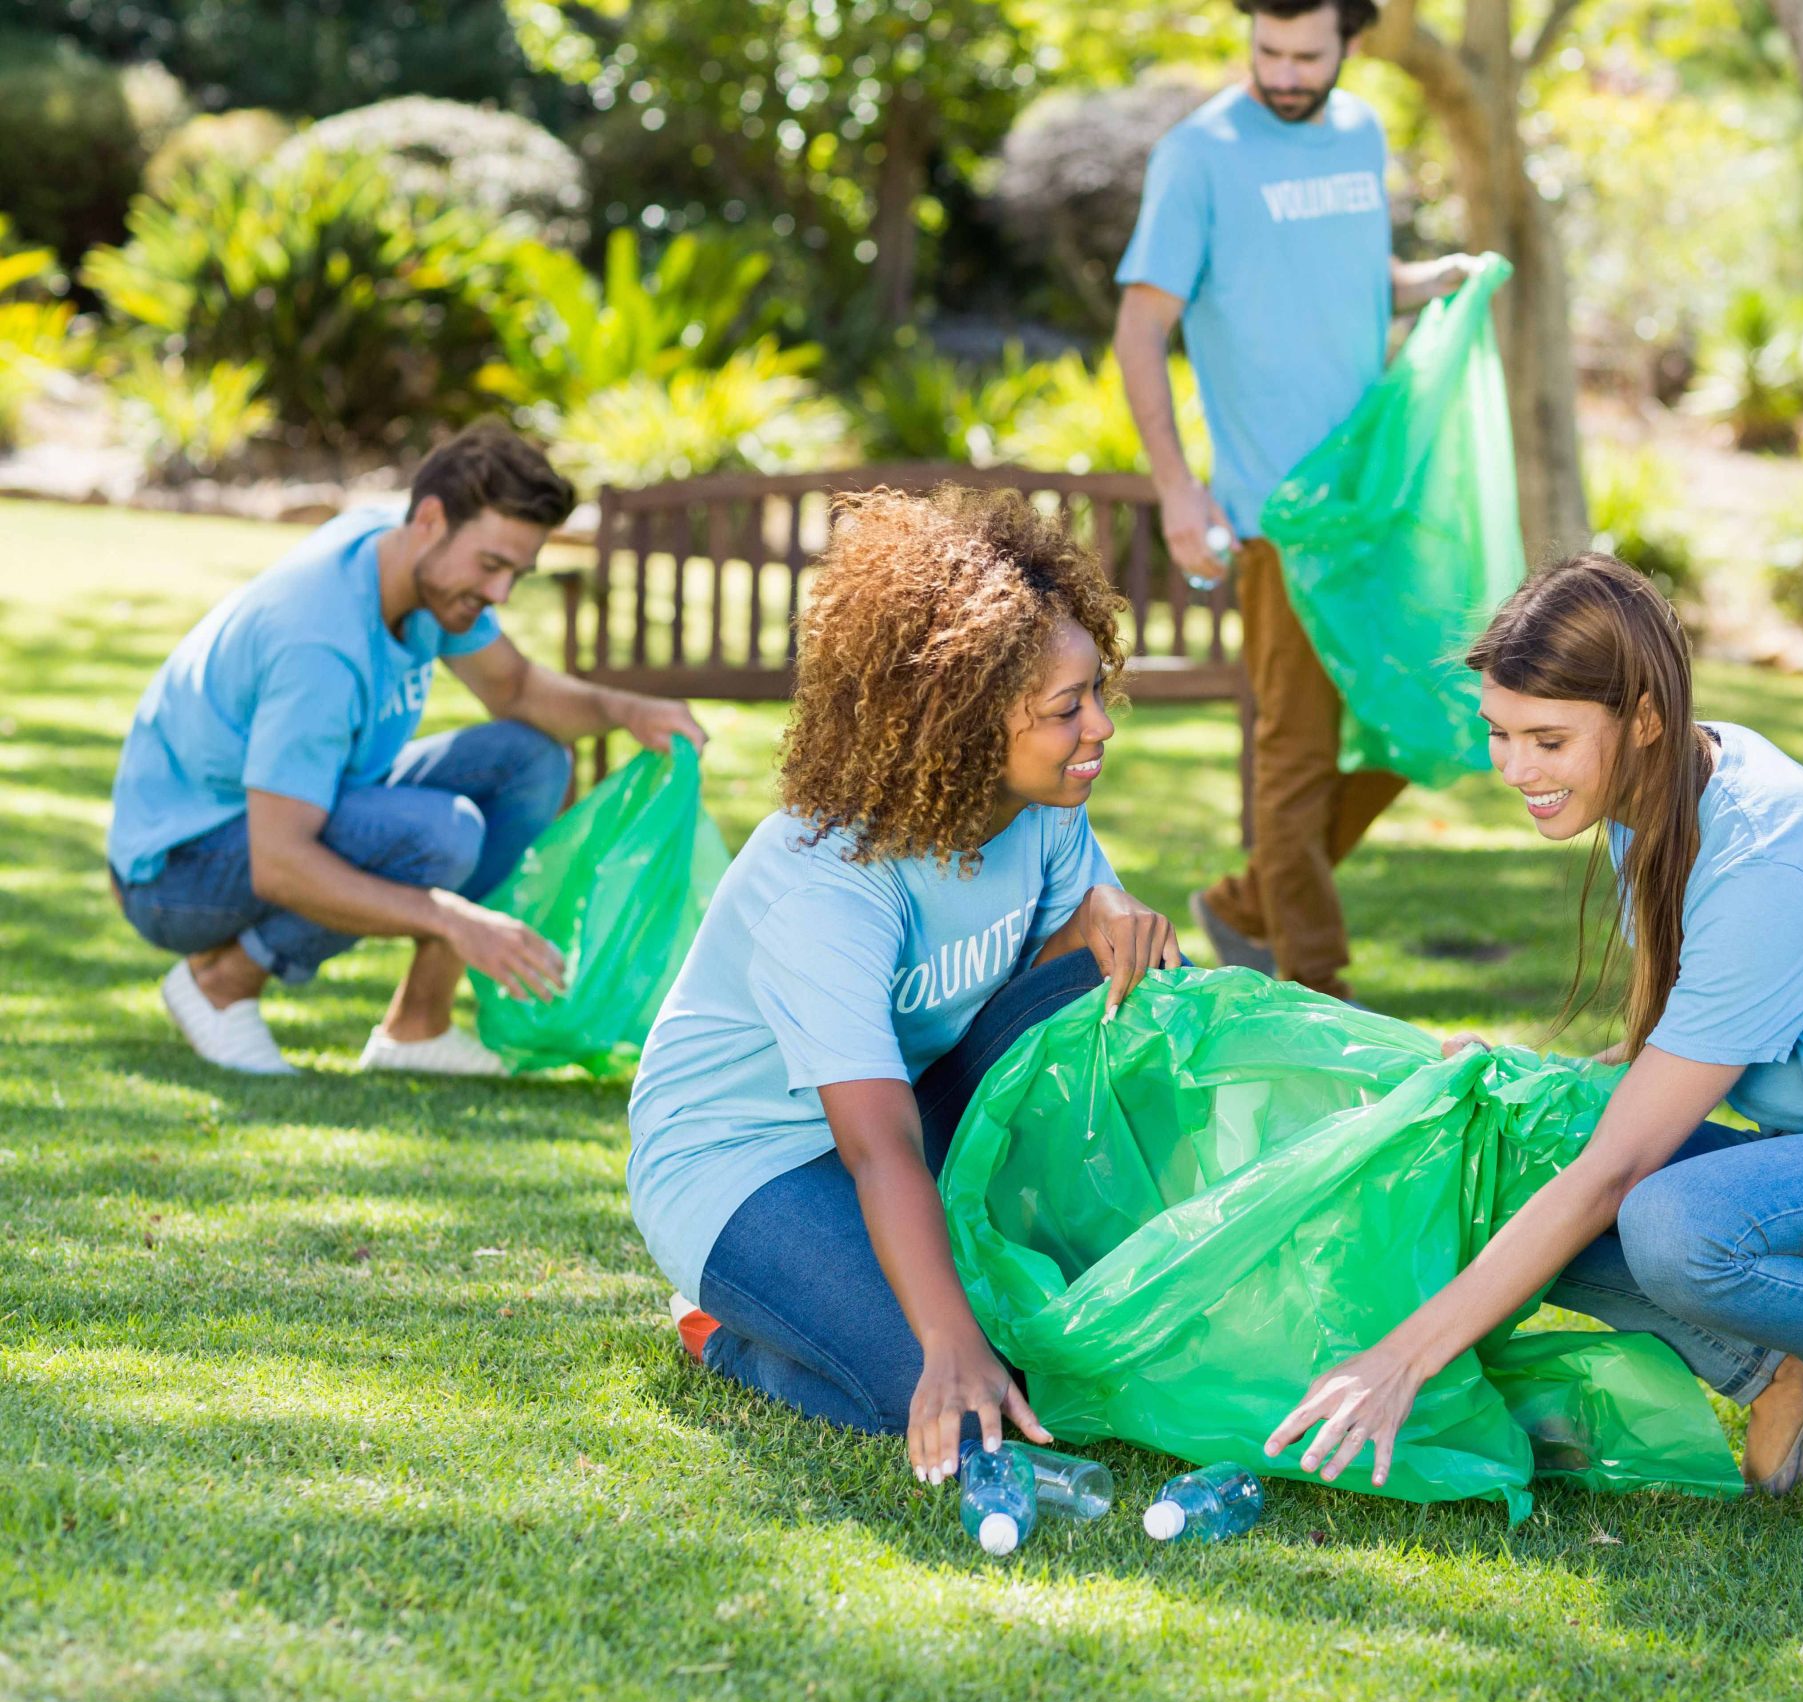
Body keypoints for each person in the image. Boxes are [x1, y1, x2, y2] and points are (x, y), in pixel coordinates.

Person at [1262, 556, 1803, 1535]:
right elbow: (1651, 1061)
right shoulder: (1657, 802)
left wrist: (1401, 1356)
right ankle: (1787, 1364)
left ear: (1643, 718)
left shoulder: (1763, 861)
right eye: (1500, 734)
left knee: (1670, 1220)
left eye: (1548, 739)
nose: (1516, 770)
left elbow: (1619, 1173)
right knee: (1510, 1148)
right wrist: (1514, 1086)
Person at [627, 486, 1184, 1483]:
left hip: (913, 1108)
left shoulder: (1042, 803)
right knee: (928, 1378)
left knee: (1134, 973)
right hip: (745, 1161)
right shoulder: (826, 882)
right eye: (1067, 709)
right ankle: (720, 1329)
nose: (1099, 725)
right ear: (967, 719)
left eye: (1096, 690)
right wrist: (949, 1340)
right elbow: (876, 1147)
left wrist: (1104, 913)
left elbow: (1064, 973)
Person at [107, 421, 704, 1077]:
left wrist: (625, 709)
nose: (500, 594)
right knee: (438, 836)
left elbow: (516, 688)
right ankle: (221, 985)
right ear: (429, 518)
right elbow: (280, 861)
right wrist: (450, 916)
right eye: (491, 565)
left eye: (516, 572)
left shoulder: (402, 557)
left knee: (532, 761)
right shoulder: (319, 647)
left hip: (287, 812)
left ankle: (417, 1026)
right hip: (176, 873)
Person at [1115, 0, 1476, 1001]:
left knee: (1431, 711)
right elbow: (1140, 328)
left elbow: (1349, 283)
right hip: (1280, 515)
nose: (1281, 72)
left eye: (1304, 54)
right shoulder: (1198, 156)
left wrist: (1436, 280)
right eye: (1266, 51)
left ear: (1350, 41)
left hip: (1376, 499)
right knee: (1298, 751)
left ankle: (1243, 904)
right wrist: (1178, 492)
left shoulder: (1360, 132)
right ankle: (1316, 981)